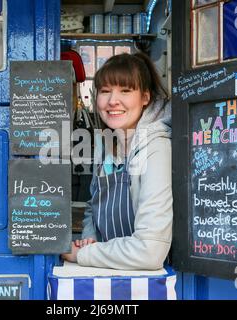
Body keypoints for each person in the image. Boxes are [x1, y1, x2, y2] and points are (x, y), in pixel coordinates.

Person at [62, 52, 173, 270]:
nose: (113, 101)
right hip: (106, 269)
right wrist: (89, 237)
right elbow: (93, 207)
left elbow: (149, 252)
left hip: (145, 281)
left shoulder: (156, 148)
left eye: (125, 90)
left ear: (145, 98)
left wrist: (83, 254)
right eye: (105, 91)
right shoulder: (107, 142)